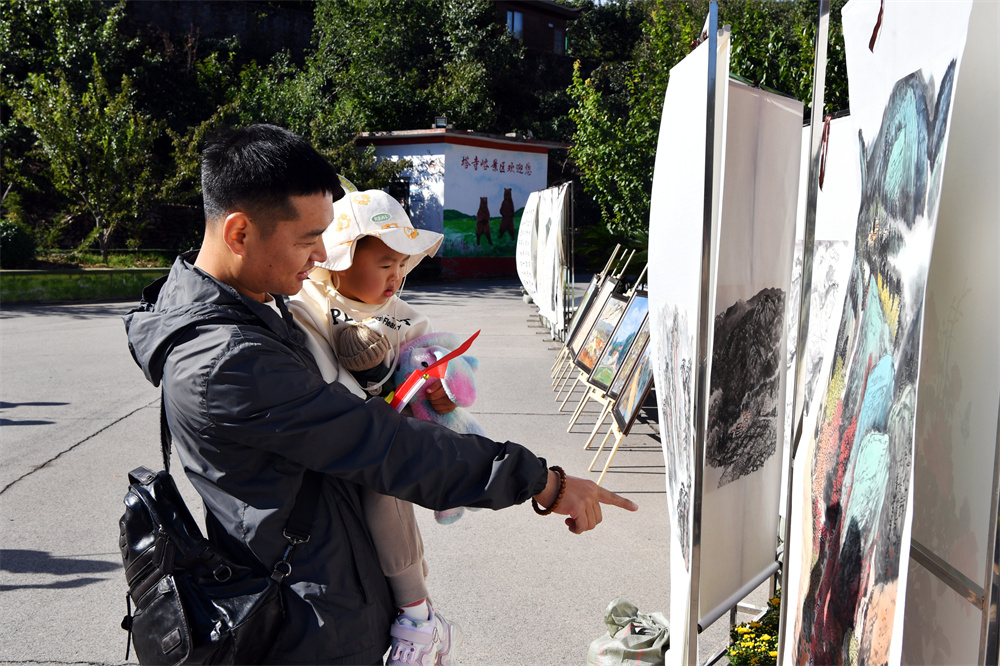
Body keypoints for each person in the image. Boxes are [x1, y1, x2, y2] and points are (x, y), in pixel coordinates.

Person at [123, 123, 637, 665]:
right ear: (239, 233)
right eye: (306, 239)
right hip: (309, 620)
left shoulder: (250, 303)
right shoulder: (229, 360)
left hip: (324, 588)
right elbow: (385, 446)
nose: (322, 255)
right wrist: (542, 482)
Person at [287, 189, 468, 663]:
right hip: (344, 431)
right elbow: (316, 371)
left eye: (401, 265)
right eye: (385, 263)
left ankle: (418, 614)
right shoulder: (310, 304)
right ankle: (414, 609)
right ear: (340, 260)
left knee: (384, 496)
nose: (396, 277)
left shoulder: (403, 316)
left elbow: (437, 361)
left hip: (386, 438)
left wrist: (442, 390)